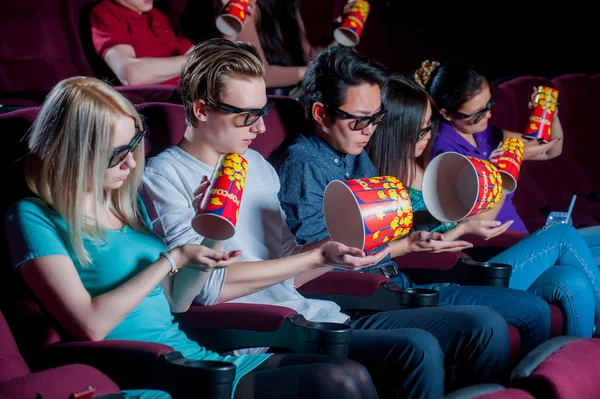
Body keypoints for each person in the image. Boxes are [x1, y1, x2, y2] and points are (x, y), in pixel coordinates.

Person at [142, 38, 518, 396]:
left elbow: (290, 261)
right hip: (261, 331)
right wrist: (314, 255)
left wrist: (336, 251)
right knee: (415, 347)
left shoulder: (253, 163)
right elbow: (205, 291)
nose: (260, 128)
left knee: (452, 335)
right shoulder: (163, 177)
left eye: (264, 112)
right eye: (247, 116)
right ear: (202, 109)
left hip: (309, 311)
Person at [4, 76, 382, 399]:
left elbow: (179, 302)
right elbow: (90, 325)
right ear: (73, 153)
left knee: (352, 372)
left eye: (134, 148)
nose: (132, 164)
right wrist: (170, 261)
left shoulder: (122, 201)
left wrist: (212, 227)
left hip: (191, 355)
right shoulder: (32, 217)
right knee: (334, 383)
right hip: (145, 372)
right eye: (117, 154)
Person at [275, 45, 557, 355]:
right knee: (486, 323)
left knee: (535, 310)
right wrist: (408, 246)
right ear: (321, 113)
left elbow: (383, 233)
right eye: (359, 120)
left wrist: (422, 238)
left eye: (377, 117)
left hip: (398, 279)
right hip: (364, 299)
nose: (370, 130)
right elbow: (324, 264)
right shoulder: (302, 166)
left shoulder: (353, 152)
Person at [365, 75, 600, 338]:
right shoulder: (385, 185)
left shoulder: (423, 162)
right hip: (454, 274)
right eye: (422, 130)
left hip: (471, 259)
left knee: (571, 280)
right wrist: (498, 180)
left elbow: (544, 150)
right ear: (398, 131)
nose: (431, 135)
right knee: (563, 236)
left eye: (430, 126)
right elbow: (411, 251)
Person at [418, 59, 600, 264]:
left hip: (521, 238)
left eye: (489, 104)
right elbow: (478, 223)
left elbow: (550, 150)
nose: (489, 114)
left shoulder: (484, 133)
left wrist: (549, 114)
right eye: (478, 114)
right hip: (494, 247)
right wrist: (508, 164)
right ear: (447, 114)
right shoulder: (445, 151)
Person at [90, 0, 195, 86]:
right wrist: (194, 61)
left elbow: (192, 51)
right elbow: (130, 74)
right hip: (164, 101)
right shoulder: (106, 13)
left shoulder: (156, 14)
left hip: (195, 90)